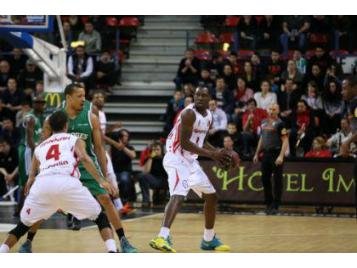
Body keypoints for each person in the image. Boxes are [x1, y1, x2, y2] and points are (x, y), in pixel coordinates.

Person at [18, 83, 137, 253]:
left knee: (105, 199)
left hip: (86, 165)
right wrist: (35, 175)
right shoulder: (52, 120)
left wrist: (104, 176)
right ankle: (28, 241)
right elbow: (41, 150)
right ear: (68, 98)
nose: (84, 99)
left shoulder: (91, 118)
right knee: (44, 204)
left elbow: (99, 148)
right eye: (80, 96)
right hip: (62, 168)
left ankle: (123, 241)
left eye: (84, 95)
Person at [0, 111, 114, 253]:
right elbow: (85, 159)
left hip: (42, 185)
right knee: (100, 217)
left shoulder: (41, 145)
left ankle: (2, 251)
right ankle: (113, 251)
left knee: (22, 226)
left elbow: (33, 169)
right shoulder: (74, 139)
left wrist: (30, 181)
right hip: (66, 182)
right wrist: (101, 180)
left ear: (50, 127)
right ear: (66, 125)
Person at [149, 87, 232, 253]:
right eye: (197, 95)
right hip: (176, 158)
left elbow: (201, 141)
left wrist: (216, 152)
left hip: (191, 161)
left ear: (210, 99)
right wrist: (212, 155)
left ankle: (208, 239)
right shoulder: (188, 114)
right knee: (178, 195)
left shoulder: (208, 116)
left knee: (211, 196)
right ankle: (162, 237)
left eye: (204, 95)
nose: (200, 98)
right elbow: (185, 143)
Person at [91, 90, 124, 214]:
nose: (99, 98)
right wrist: (115, 144)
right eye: (96, 96)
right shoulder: (93, 112)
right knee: (105, 177)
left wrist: (112, 127)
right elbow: (98, 134)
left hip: (102, 149)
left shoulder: (102, 113)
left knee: (110, 177)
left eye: (101, 96)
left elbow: (102, 131)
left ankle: (119, 207)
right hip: (95, 150)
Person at [253, 103, 289, 215]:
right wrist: (256, 153)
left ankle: (276, 205)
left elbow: (285, 140)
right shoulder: (263, 122)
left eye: (274, 109)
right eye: (270, 109)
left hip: (276, 152)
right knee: (265, 179)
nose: (272, 111)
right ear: (267, 110)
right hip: (266, 153)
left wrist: (281, 156)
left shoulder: (280, 124)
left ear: (278, 111)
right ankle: (268, 203)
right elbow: (262, 138)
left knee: (277, 180)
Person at [16, 94, 46, 217]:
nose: (43, 105)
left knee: (30, 180)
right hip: (28, 151)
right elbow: (29, 140)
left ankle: (21, 209)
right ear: (35, 104)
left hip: (32, 150)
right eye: (40, 103)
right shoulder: (31, 118)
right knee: (28, 180)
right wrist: (38, 153)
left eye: (43, 102)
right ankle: (22, 210)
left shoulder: (39, 118)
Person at [109, 129, 137, 215]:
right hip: (114, 172)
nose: (124, 137)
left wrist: (122, 147)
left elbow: (133, 155)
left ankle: (125, 202)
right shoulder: (113, 148)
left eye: (125, 136)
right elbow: (108, 159)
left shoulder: (129, 147)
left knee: (124, 178)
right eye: (122, 135)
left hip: (125, 172)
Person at [138, 141, 168, 207]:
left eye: (157, 149)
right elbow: (146, 172)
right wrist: (150, 158)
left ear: (162, 150)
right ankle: (146, 200)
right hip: (154, 179)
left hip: (164, 180)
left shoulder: (166, 159)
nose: (156, 151)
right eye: (154, 150)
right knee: (142, 176)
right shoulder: (150, 159)